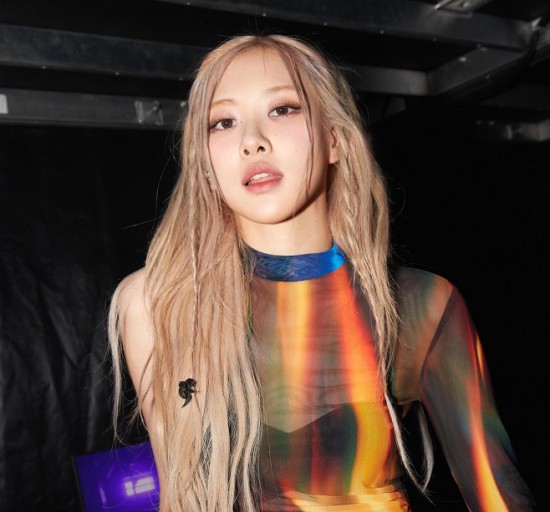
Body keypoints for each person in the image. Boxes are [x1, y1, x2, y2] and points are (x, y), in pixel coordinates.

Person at [108, 34, 536, 512]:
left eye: (282, 109)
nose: (252, 140)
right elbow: (179, 498)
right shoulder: (157, 305)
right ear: (205, 160)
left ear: (335, 139)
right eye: (223, 122)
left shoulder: (421, 304)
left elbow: (498, 493)